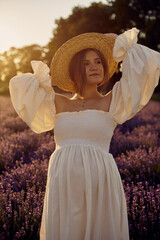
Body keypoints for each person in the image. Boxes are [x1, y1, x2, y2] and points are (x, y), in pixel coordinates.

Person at [9, 28, 160, 240]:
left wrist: (116, 42)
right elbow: (22, 87)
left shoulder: (112, 101)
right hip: (64, 180)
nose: (94, 67)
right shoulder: (57, 102)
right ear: (76, 69)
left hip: (100, 179)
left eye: (98, 61)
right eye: (86, 63)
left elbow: (144, 68)